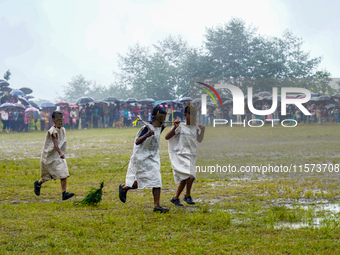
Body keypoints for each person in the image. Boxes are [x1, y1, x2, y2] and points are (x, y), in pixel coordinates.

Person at [119, 106, 169, 213]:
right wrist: (146, 135)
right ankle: (124, 188)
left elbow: (160, 129)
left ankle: (156, 206)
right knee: (140, 181)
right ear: (154, 117)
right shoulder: (146, 128)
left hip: (152, 157)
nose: (162, 122)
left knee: (156, 180)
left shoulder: (159, 127)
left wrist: (172, 125)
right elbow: (137, 142)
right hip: (141, 158)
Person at [165, 103, 205, 206]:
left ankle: (175, 198)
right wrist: (174, 127)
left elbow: (199, 139)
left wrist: (203, 130)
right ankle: (187, 195)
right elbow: (167, 137)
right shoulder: (180, 126)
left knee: (184, 179)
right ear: (185, 115)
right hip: (182, 154)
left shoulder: (194, 127)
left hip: (192, 154)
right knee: (191, 176)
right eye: (191, 114)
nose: (193, 117)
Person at [34, 111, 74, 201]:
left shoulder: (62, 129)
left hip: (59, 155)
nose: (60, 120)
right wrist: (60, 153)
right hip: (51, 155)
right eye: (58, 119)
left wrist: (60, 153)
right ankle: (38, 183)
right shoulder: (53, 131)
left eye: (61, 119)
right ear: (53, 120)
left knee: (63, 173)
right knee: (49, 175)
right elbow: (55, 144)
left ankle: (64, 193)